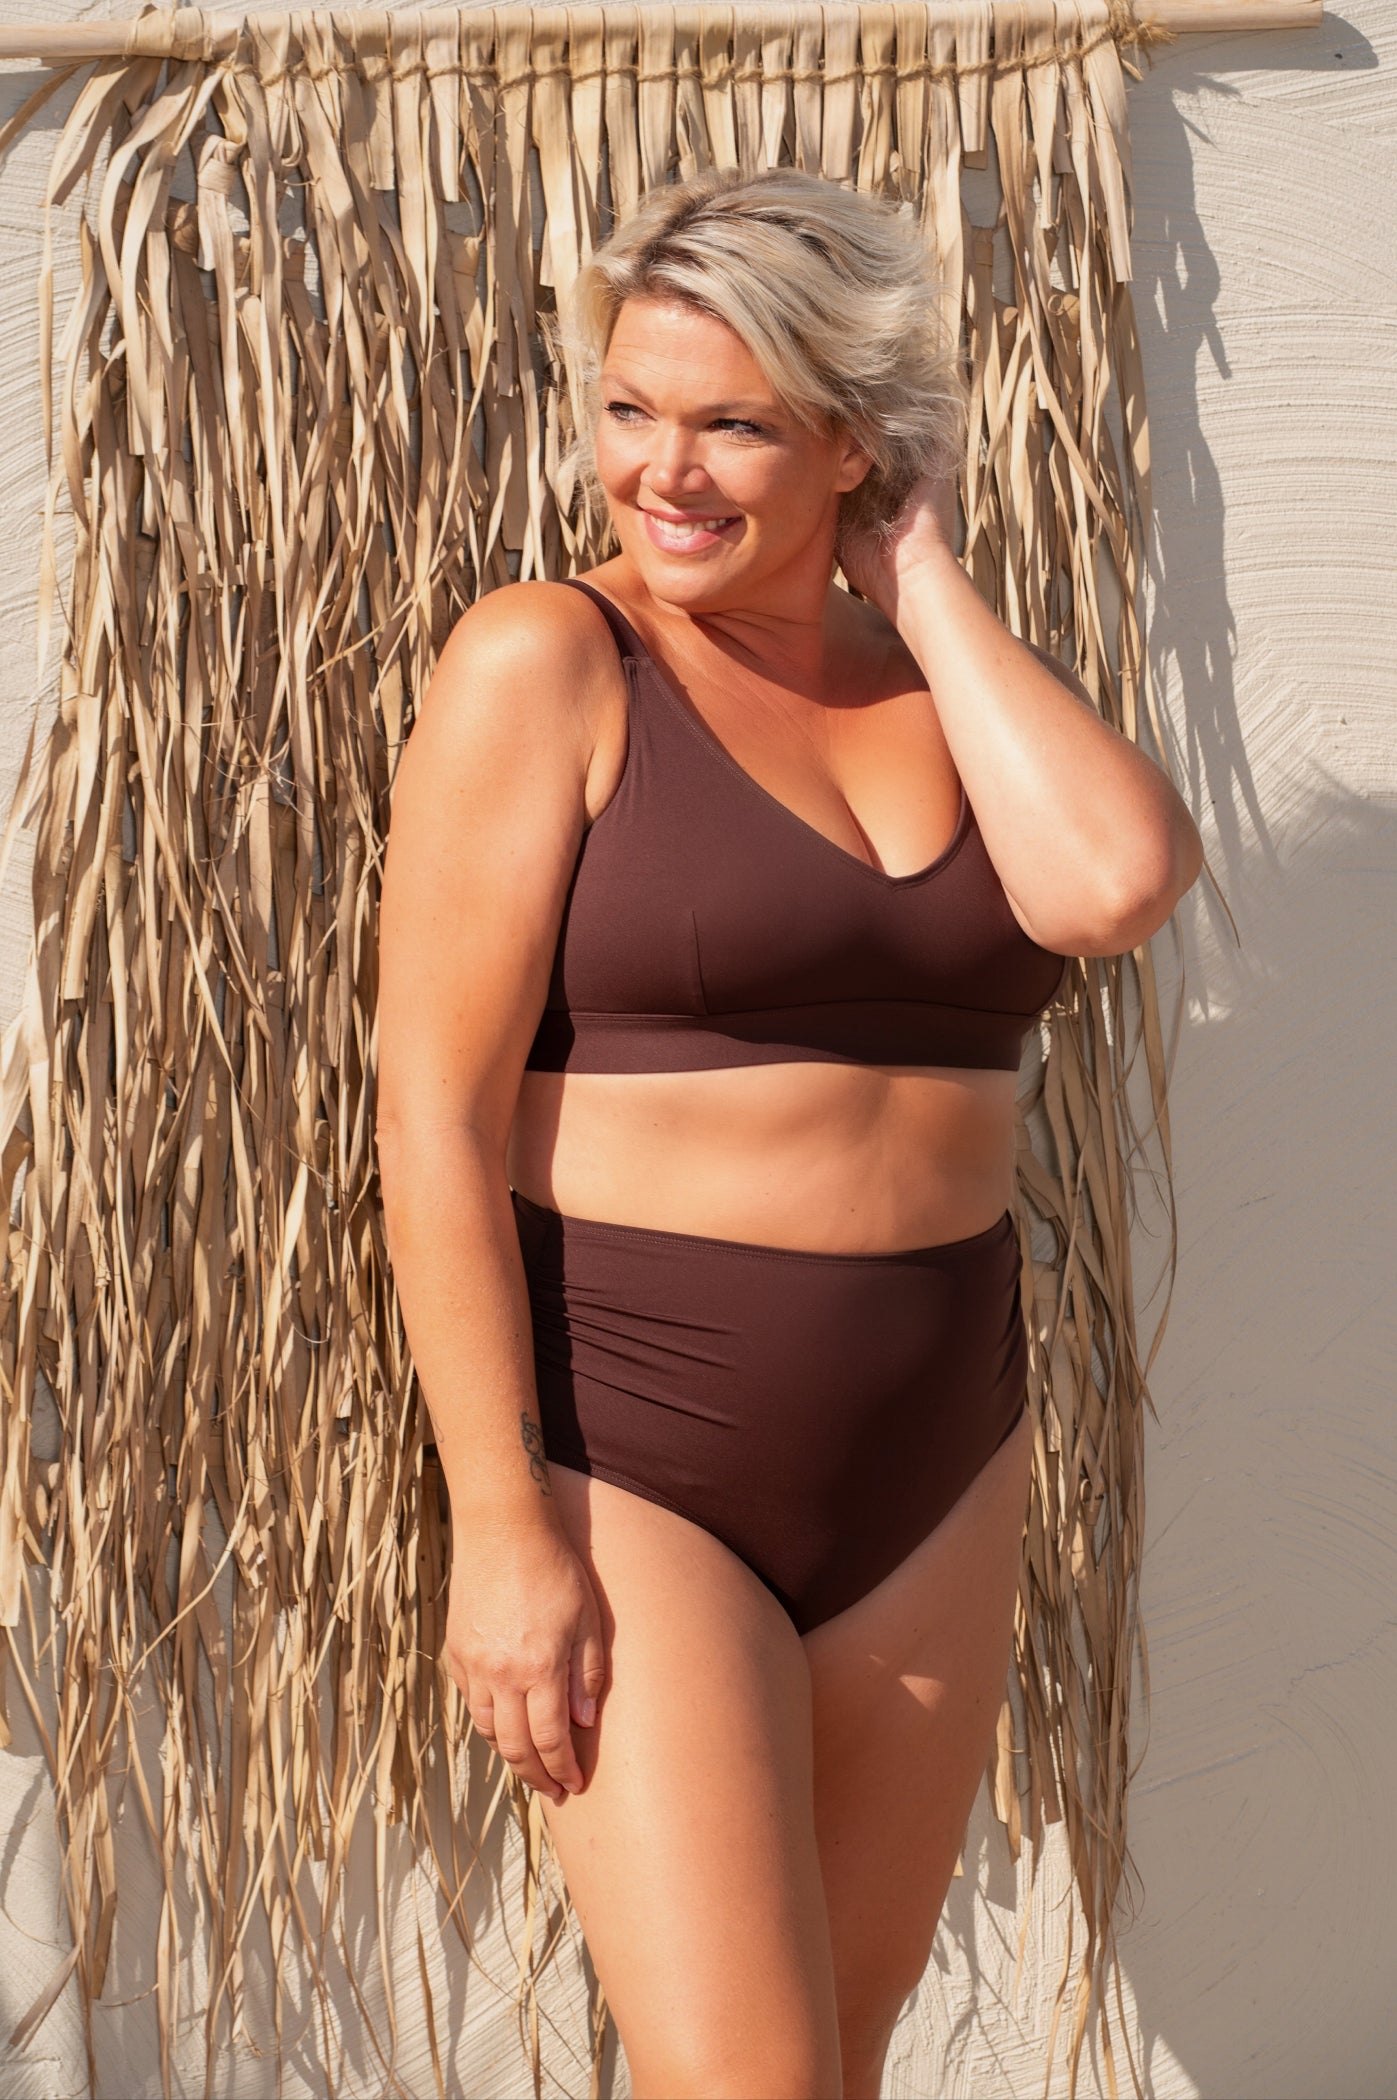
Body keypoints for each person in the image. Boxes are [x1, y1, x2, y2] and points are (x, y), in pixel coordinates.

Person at [375, 166, 1202, 2100]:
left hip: (937, 1452)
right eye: (628, 410)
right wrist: (499, 1531)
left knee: (830, 2065)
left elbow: (1110, 884)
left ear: (854, 440)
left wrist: (913, 577)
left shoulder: (942, 696)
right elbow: (430, 1112)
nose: (663, 471)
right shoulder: (547, 662)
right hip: (635, 1446)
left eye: (735, 422)